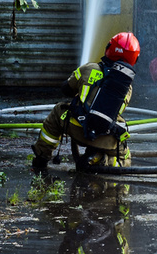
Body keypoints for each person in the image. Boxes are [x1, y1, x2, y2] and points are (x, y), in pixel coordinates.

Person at [31, 32, 140, 177]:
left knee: (58, 110)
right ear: (134, 59)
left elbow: (66, 89)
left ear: (109, 48)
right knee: (124, 160)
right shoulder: (127, 87)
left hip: (76, 127)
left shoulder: (89, 68)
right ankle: (100, 159)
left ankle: (41, 157)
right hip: (105, 138)